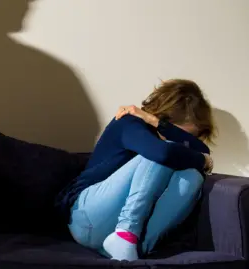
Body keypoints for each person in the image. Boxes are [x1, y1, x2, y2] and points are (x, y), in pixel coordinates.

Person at [55, 79, 216, 261]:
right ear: (166, 117)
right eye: (183, 134)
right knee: (162, 153)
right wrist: (199, 157)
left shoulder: (158, 128)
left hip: (115, 235)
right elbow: (163, 153)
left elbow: (203, 151)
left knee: (193, 176)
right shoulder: (128, 123)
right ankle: (127, 234)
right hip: (86, 218)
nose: (184, 144)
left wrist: (158, 123)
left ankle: (135, 249)